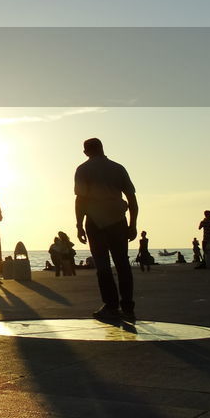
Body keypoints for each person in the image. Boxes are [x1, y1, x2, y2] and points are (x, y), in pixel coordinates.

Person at [74, 137, 139, 321]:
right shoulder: (118, 168)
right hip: (118, 220)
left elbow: (80, 200)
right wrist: (133, 224)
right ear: (102, 148)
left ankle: (111, 306)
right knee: (122, 264)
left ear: (86, 152)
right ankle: (128, 306)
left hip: (95, 222)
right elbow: (132, 199)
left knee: (103, 266)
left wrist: (79, 225)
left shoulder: (83, 169)